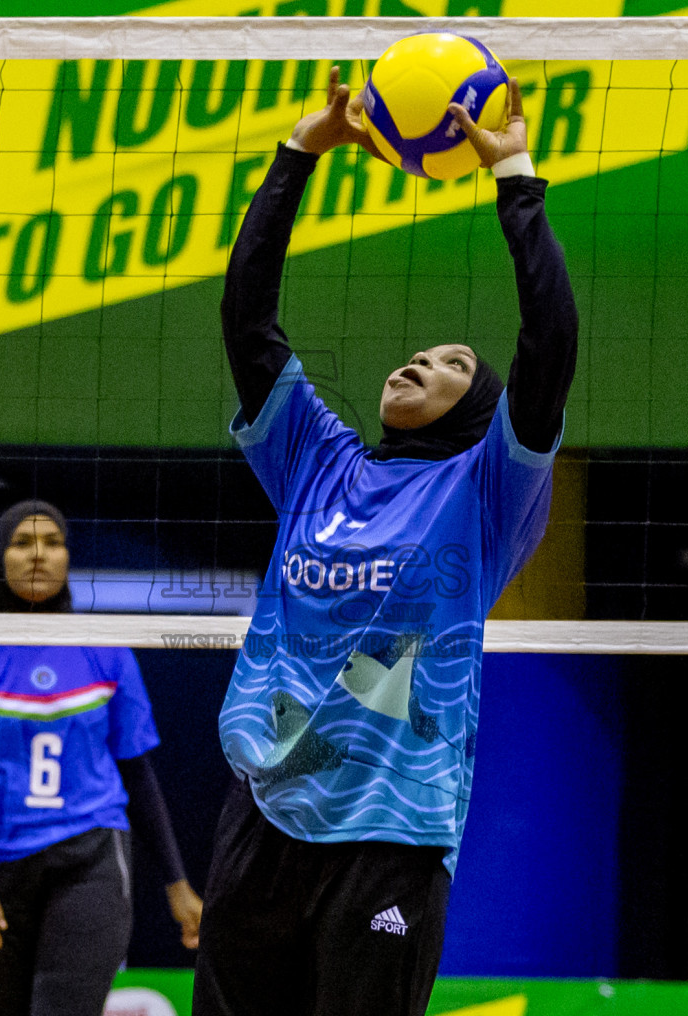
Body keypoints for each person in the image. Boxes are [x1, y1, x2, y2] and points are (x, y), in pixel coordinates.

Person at [193, 69, 577, 1016]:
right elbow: (247, 321)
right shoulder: (318, 460)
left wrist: (515, 180)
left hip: (392, 834)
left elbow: (549, 347)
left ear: (480, 411)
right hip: (267, 809)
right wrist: (299, 152)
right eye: (422, 353)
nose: (420, 361)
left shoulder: (487, 487)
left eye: (453, 365)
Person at [0, 499, 202, 1016]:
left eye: (53, 543)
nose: (38, 555)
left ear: (69, 557)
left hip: (88, 855)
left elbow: (139, 774)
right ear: (0, 558)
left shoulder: (105, 650)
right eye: (22, 543)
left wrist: (177, 883)